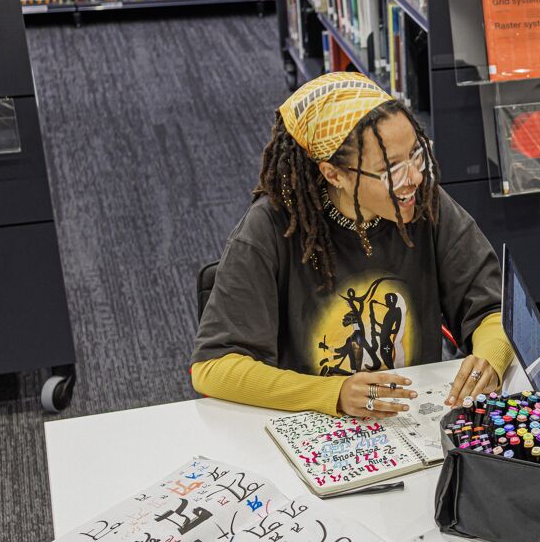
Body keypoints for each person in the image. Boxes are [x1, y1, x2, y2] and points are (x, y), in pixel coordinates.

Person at [191, 72, 512, 419]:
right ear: (334, 175)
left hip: (413, 417)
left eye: (417, 155)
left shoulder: (423, 203)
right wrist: (335, 393)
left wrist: (490, 360)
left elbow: (494, 308)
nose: (415, 178)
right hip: (314, 425)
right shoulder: (268, 228)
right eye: (392, 169)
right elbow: (213, 367)